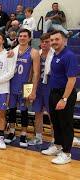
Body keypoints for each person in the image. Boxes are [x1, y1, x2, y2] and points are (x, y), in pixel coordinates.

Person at [41, 30, 78, 165]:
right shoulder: (54, 54)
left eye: (57, 39)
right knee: (56, 122)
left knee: (65, 124)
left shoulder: (69, 56)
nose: (54, 42)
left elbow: (72, 79)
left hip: (64, 94)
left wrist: (64, 99)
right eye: (52, 40)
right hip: (54, 92)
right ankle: (57, 146)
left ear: (63, 40)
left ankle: (67, 153)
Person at [5, 29, 40, 147]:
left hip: (26, 86)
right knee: (12, 110)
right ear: (18, 38)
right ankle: (12, 132)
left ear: (29, 38)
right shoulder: (12, 51)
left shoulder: (34, 52)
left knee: (24, 111)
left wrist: (33, 90)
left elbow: (36, 73)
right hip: (12, 85)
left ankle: (24, 134)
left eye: (25, 36)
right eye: (20, 36)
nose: (22, 38)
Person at [29, 33, 54, 146]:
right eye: (42, 42)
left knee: (52, 114)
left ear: (51, 42)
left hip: (50, 87)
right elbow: (32, 73)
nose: (44, 44)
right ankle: (38, 137)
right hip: (38, 87)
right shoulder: (36, 54)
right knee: (37, 113)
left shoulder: (55, 55)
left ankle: (55, 140)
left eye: (47, 42)